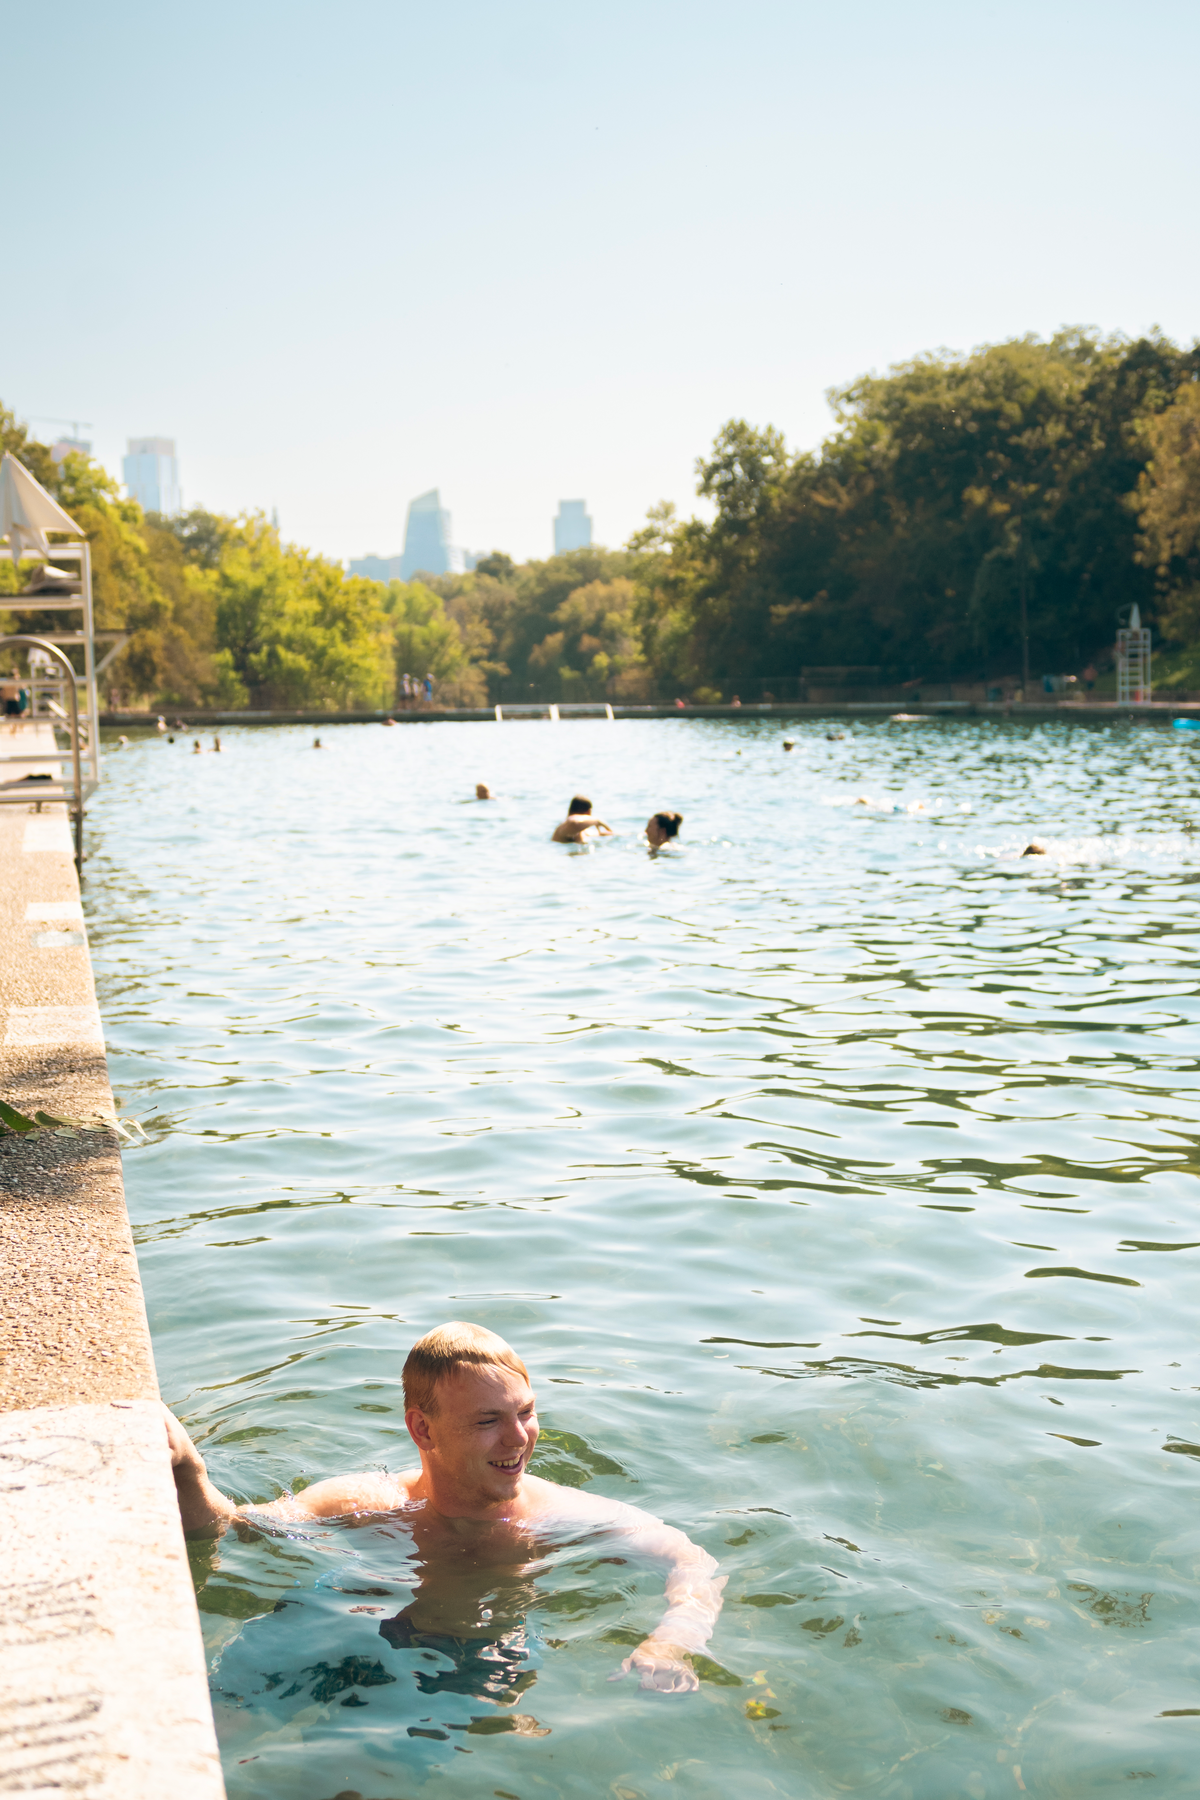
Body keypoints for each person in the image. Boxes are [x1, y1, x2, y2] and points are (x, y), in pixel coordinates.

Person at [165, 1322, 723, 1695]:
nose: (518, 1439)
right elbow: (237, 1530)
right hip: (345, 1627)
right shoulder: (368, 1503)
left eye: (525, 1412)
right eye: (488, 1421)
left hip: (473, 1659)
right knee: (221, 1722)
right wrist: (189, 1469)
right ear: (422, 1429)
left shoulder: (558, 1517)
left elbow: (692, 1562)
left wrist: (671, 1642)